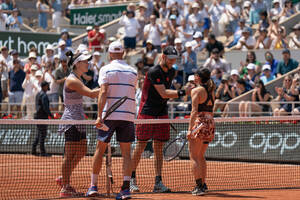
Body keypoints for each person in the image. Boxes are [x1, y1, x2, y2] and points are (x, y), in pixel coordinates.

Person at [130, 46, 192, 193]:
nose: (172, 62)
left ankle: (158, 182)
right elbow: (164, 93)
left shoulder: (171, 71)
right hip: (147, 112)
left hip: (162, 112)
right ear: (163, 57)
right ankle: (131, 179)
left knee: (158, 148)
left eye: (174, 60)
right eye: (170, 59)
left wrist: (185, 89)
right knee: (141, 146)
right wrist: (184, 91)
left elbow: (166, 94)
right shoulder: (154, 71)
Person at [86, 41, 137, 200]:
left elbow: (103, 93)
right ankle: (126, 188)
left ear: (109, 54)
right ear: (123, 53)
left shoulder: (105, 69)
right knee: (126, 153)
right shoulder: (133, 71)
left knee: (99, 151)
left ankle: (93, 186)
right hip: (127, 116)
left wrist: (99, 116)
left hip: (108, 117)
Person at [57, 50, 100, 197]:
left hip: (79, 120)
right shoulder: (72, 80)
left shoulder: (77, 78)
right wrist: (109, 87)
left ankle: (64, 177)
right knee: (69, 155)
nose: (88, 63)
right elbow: (92, 94)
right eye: (85, 61)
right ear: (77, 64)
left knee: (82, 151)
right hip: (72, 121)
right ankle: (65, 187)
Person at [187, 67, 215, 196]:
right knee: (201, 156)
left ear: (198, 77)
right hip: (210, 123)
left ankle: (199, 186)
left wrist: (190, 130)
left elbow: (194, 112)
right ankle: (203, 185)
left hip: (199, 124)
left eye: (195, 75)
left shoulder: (196, 91)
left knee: (194, 156)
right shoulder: (211, 91)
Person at [32, 81, 53, 157]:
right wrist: (51, 115)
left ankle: (33, 150)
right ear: (44, 86)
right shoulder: (43, 95)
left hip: (38, 116)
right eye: (47, 85)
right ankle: (42, 152)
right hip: (42, 117)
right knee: (42, 135)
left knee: (39, 134)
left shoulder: (38, 94)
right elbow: (45, 107)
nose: (48, 87)